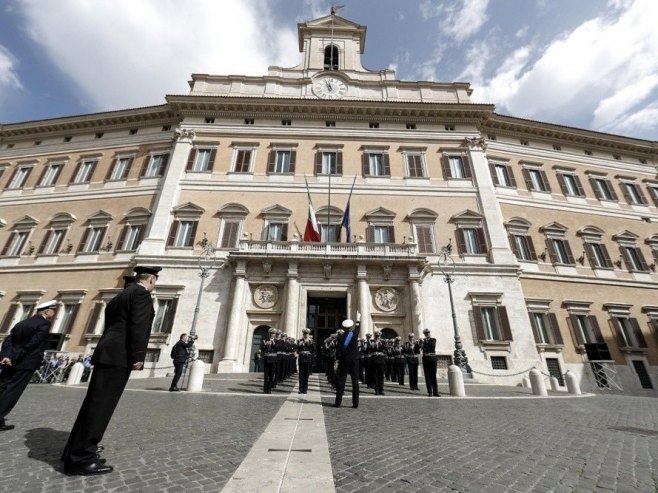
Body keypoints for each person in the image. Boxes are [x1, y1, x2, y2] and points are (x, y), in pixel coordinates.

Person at [61, 265, 160, 475]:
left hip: (108, 351)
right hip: (120, 355)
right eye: (155, 282)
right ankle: (82, 459)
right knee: (101, 407)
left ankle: (74, 451)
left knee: (93, 403)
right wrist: (138, 355)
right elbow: (138, 327)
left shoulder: (120, 296)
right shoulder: (141, 295)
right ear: (151, 280)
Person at [0, 300, 58, 431]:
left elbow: (8, 341)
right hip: (26, 363)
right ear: (47, 311)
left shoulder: (22, 323)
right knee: (12, 392)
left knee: (2, 387)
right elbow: (33, 344)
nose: (54, 313)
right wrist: (14, 357)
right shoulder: (44, 324)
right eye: (53, 310)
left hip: (10, 361)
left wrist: (6, 356)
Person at [333, 311, 361, 409]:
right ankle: (355, 403)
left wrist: (337, 360)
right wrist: (358, 319)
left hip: (344, 360)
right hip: (354, 360)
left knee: (341, 381)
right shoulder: (354, 334)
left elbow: (338, 351)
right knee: (355, 382)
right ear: (350, 326)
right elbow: (358, 328)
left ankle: (338, 402)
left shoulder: (340, 337)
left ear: (344, 327)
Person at [421, 328, 440, 397]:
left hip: (432, 359)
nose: (427, 334)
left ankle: (436, 392)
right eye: (425, 333)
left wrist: (425, 342)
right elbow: (420, 348)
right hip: (425, 359)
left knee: (433, 376)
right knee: (427, 376)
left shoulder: (433, 340)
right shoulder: (423, 342)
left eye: (428, 333)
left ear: (429, 333)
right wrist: (420, 343)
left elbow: (432, 346)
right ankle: (430, 392)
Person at [296, 328, 314, 394]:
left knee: (306, 375)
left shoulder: (311, 341)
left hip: (308, 358)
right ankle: (300, 389)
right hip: (301, 358)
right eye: (304, 334)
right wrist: (300, 345)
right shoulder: (299, 341)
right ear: (303, 334)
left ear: (308, 334)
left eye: (307, 334)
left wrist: (310, 343)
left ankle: (305, 389)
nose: (305, 335)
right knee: (301, 374)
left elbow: (313, 350)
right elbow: (297, 351)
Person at [261, 328, 278, 393]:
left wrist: (273, 343)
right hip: (267, 359)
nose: (272, 335)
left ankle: (269, 388)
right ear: (269, 334)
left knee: (271, 375)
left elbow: (278, 348)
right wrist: (265, 345)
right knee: (266, 375)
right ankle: (265, 389)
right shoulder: (265, 340)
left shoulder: (276, 341)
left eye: (273, 333)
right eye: (271, 333)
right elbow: (262, 349)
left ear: (275, 334)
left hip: (273, 360)